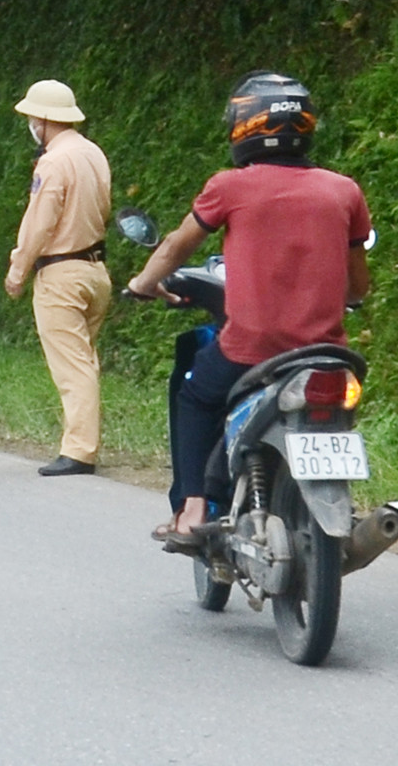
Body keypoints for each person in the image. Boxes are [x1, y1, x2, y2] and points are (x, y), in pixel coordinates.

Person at [126, 72, 371, 547]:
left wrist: (144, 283)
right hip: (325, 355)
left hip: (251, 351)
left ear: (245, 126)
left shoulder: (229, 187)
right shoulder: (344, 191)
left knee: (196, 396)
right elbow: (357, 284)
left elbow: (178, 245)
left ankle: (192, 508)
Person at [4, 79, 113, 477]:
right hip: (96, 271)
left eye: (33, 116)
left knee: (73, 367)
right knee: (85, 361)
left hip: (61, 274)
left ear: (45, 119)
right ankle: (82, 437)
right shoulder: (93, 153)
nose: (30, 123)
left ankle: (80, 451)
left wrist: (18, 269)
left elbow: (40, 222)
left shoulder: (53, 162)